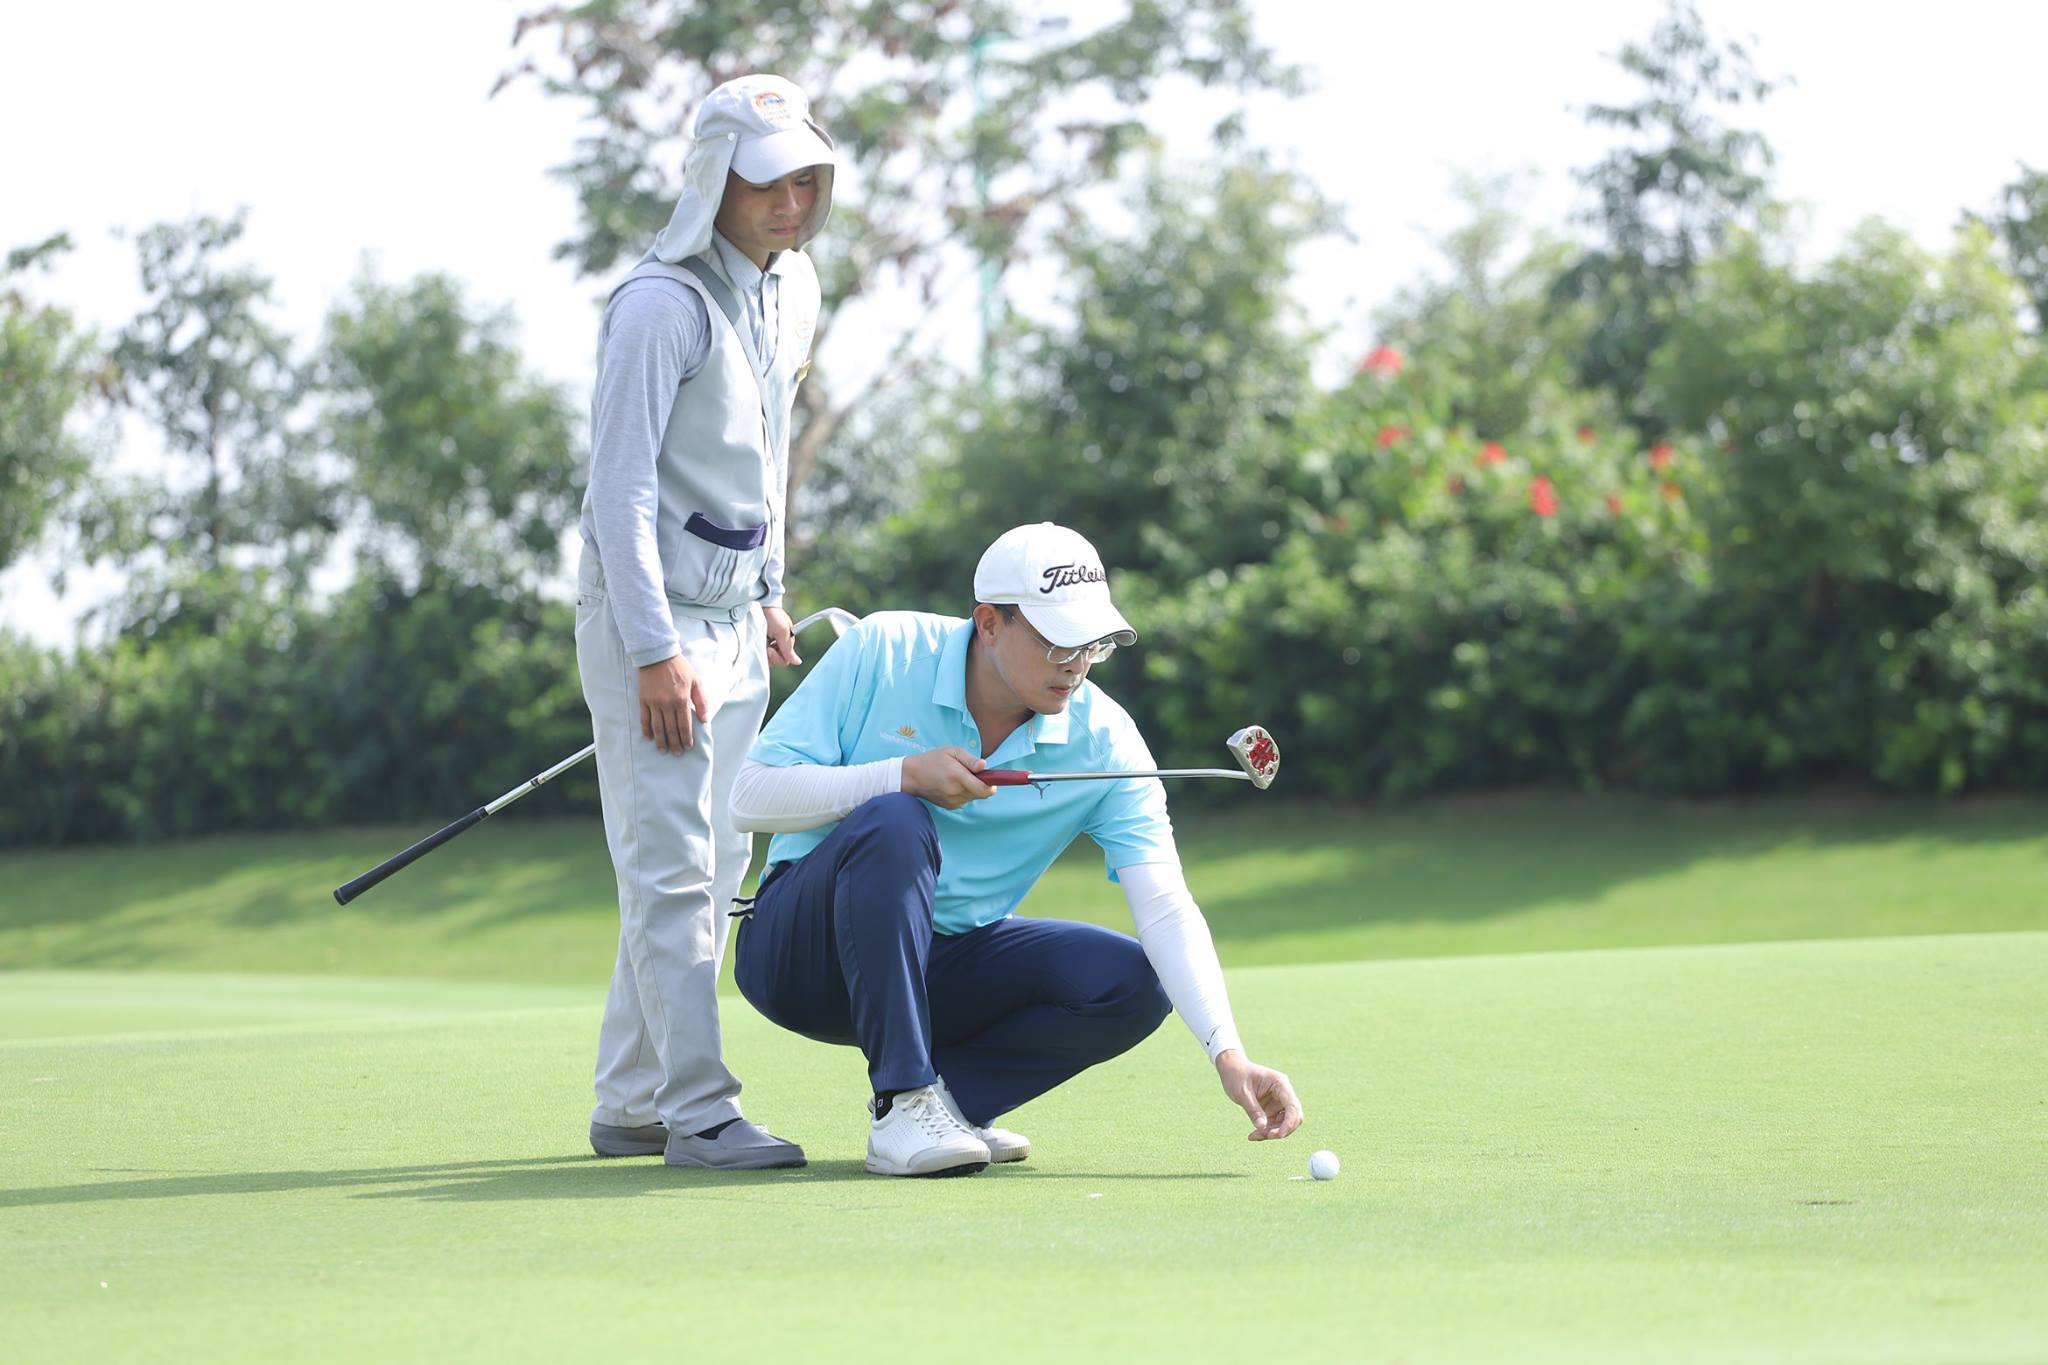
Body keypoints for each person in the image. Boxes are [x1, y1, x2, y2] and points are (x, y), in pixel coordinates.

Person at [726, 522, 1305, 1176]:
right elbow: (747, 797)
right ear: (989, 623)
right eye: (1058, 641)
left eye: (1092, 644)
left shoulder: (1106, 741)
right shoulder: (884, 648)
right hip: (802, 956)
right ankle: (903, 1101)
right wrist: (902, 774)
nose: (1076, 664)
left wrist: (1229, 1053)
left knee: (1131, 981)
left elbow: (1166, 907)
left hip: (940, 969)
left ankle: (951, 1104)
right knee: (894, 817)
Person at [575, 74, 836, 1169]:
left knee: (717, 867)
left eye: (807, 181)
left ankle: (631, 1100)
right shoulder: (658, 306)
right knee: (672, 871)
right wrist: (652, 652)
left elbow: (764, 448)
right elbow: (619, 489)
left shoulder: (794, 285)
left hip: (736, 619)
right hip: (656, 627)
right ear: (711, 180)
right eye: (767, 182)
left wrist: (768, 587)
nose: (790, 203)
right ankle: (699, 1112)